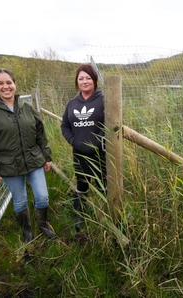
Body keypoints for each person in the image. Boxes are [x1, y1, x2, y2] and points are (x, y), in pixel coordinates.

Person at [0, 69, 56, 242]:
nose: (6, 87)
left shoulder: (26, 107)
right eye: (1, 83)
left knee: (42, 197)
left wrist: (46, 157)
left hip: (34, 160)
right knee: (20, 201)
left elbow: (40, 134)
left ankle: (42, 223)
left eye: (9, 82)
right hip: (8, 165)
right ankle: (26, 229)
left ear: (15, 84)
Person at [61, 64, 107, 232]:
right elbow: (64, 125)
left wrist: (98, 140)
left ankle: (109, 215)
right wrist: (73, 141)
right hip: (79, 152)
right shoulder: (72, 103)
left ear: (94, 80)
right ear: (77, 81)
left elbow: (111, 122)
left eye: (88, 78)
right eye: (81, 78)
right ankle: (80, 214)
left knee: (104, 184)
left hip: (101, 153)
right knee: (82, 184)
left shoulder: (104, 99)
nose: (85, 81)